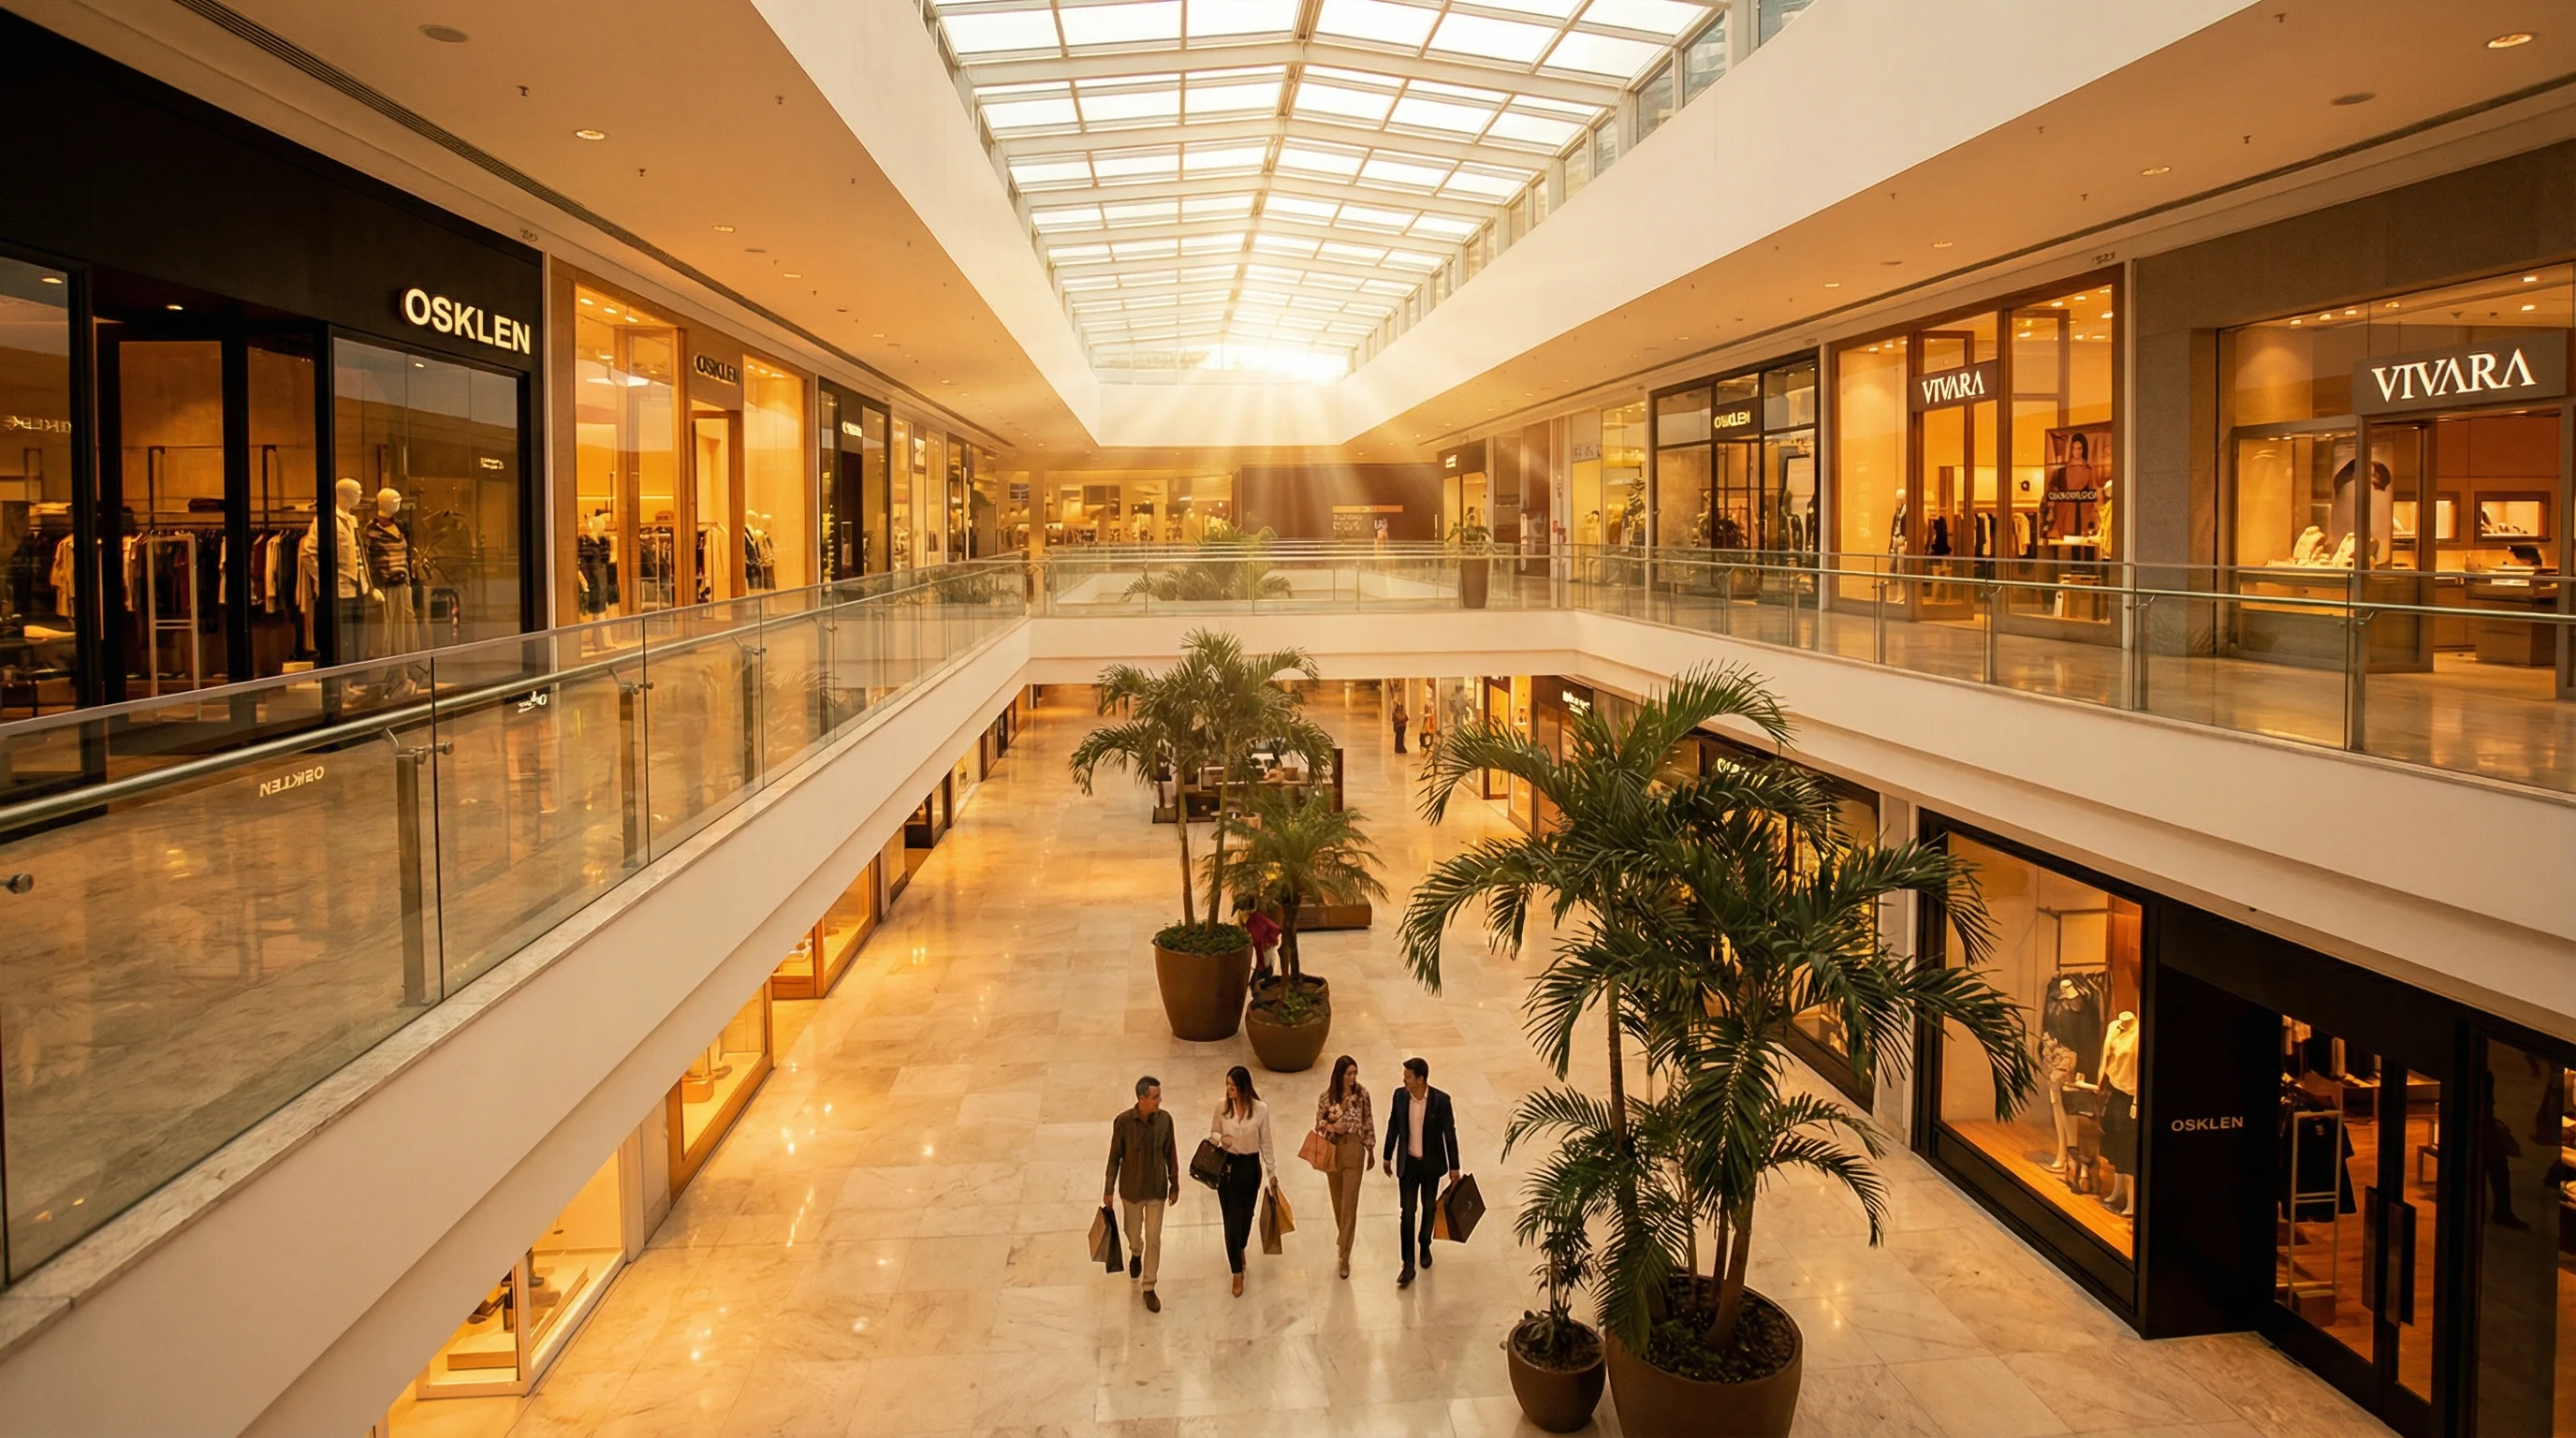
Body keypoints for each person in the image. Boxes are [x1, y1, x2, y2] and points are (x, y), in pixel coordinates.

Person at [1381, 1056, 1459, 1287]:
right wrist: (1387, 1155)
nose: (1404, 1080)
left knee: (1429, 1207)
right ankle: (1408, 1264)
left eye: (1408, 1077)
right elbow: (1393, 1125)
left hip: (1430, 1165)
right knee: (1407, 1213)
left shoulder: (1441, 1101)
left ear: (1420, 1079)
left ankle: (1425, 1243)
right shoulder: (1399, 1096)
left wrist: (1454, 1166)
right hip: (1409, 1164)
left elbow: (1449, 1134)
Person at [1104, 1075, 1179, 1313]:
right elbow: (1114, 1158)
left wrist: (1174, 1184)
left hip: (1157, 1188)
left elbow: (1171, 1153)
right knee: (1133, 1233)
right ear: (1142, 1098)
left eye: (1159, 1096)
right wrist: (1108, 1189)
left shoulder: (1165, 1120)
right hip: (1132, 1190)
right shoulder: (1123, 1122)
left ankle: (1149, 1286)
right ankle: (1136, 1251)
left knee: (1154, 1238)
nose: (1159, 1101)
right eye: (1155, 1097)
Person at [1209, 1064, 1279, 1298]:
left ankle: (1240, 1247)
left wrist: (1272, 1172)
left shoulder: (1260, 1110)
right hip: (1228, 1167)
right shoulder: (1222, 1107)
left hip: (1250, 1167)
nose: (1229, 1090)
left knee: (1246, 1217)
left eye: (1233, 1086)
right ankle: (1236, 1270)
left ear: (1243, 1087)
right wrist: (1221, 1139)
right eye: (1227, 1085)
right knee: (1231, 1219)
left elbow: (1266, 1142)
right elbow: (1213, 1132)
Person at [1314, 1055, 1375, 1279]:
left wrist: (1371, 1149)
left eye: (1355, 1073)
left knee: (1350, 1202)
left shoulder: (1362, 1095)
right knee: (1338, 1200)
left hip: (1354, 1147)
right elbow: (1318, 1123)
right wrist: (1332, 1127)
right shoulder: (1326, 1097)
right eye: (1349, 1073)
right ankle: (1344, 1240)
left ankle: (1345, 1253)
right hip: (1333, 1148)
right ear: (1340, 1075)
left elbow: (1368, 1121)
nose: (1353, 1077)